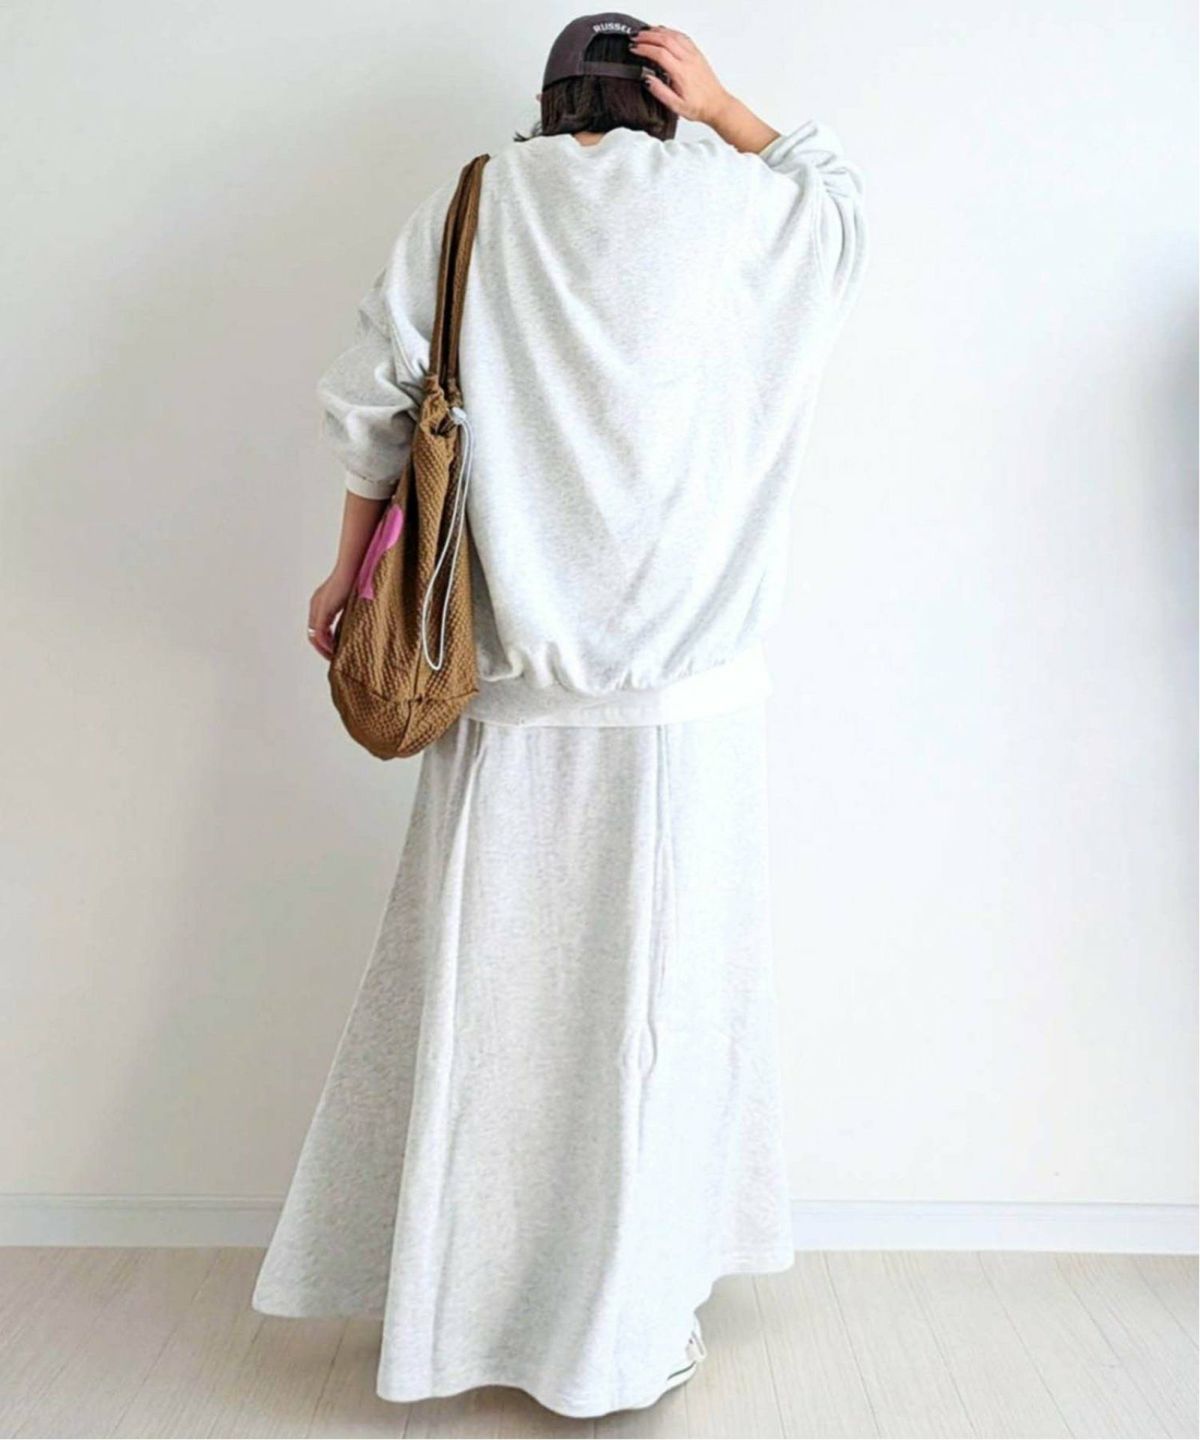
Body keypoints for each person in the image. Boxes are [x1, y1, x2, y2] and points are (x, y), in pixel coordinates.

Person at [253, 13, 866, 1419]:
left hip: (508, 703)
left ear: (548, 102)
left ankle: (471, 1312)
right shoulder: (738, 208)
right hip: (686, 719)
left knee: (499, 1026)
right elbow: (841, 202)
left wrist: (348, 572)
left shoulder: (475, 200)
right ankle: (631, 1316)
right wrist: (728, 108)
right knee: (658, 1021)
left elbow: (374, 401)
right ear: (661, 96)